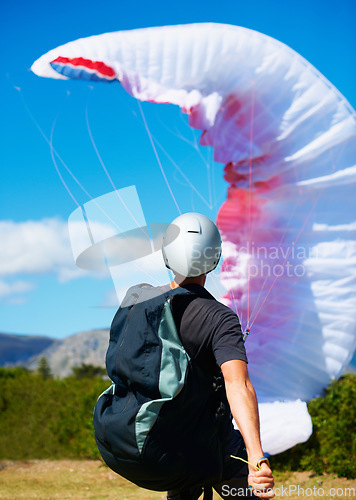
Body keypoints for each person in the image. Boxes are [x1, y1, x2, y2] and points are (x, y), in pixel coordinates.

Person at [161, 212, 275, 500]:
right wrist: (256, 458)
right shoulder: (220, 319)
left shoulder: (140, 307)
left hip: (164, 440)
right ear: (215, 258)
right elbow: (238, 385)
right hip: (213, 442)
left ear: (166, 256)